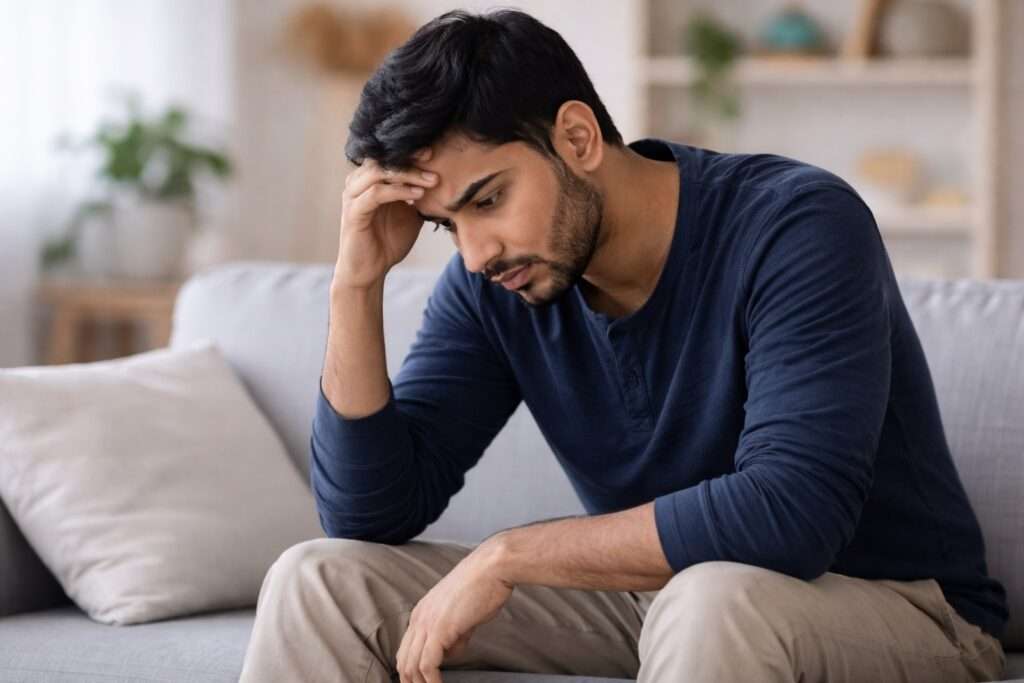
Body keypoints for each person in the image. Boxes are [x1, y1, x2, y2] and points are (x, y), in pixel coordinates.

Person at [239, 8, 1008, 683]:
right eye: (448, 225)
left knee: (715, 601)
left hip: (900, 606)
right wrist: (357, 285)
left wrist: (511, 554)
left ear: (576, 137)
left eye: (488, 199)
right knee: (319, 578)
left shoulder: (796, 227)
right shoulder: (499, 282)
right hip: (661, 598)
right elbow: (367, 515)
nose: (474, 252)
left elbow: (792, 512)